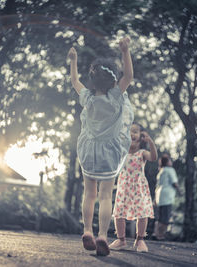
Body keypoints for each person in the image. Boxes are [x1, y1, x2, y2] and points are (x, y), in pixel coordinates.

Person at [67, 36, 134, 256]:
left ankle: (87, 230)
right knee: (106, 195)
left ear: (93, 82)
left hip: (89, 151)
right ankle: (103, 235)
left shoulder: (87, 97)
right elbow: (129, 76)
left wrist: (73, 60)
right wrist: (125, 51)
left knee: (89, 194)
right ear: (112, 81)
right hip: (109, 153)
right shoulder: (115, 97)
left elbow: (74, 81)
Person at [109, 122, 157, 253]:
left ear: (141, 137)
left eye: (135, 131)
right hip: (124, 186)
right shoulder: (122, 152)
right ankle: (121, 240)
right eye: (129, 131)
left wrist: (151, 142)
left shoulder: (142, 153)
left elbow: (153, 157)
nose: (132, 134)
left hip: (138, 187)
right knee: (119, 212)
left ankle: (140, 239)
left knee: (142, 213)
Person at [153, 153, 179, 241]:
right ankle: (160, 235)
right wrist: (180, 191)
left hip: (159, 196)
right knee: (166, 218)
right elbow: (174, 183)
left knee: (160, 217)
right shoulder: (170, 170)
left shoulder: (161, 171)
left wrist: (155, 199)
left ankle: (156, 233)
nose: (171, 162)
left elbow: (157, 186)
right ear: (167, 162)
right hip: (167, 197)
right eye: (170, 160)